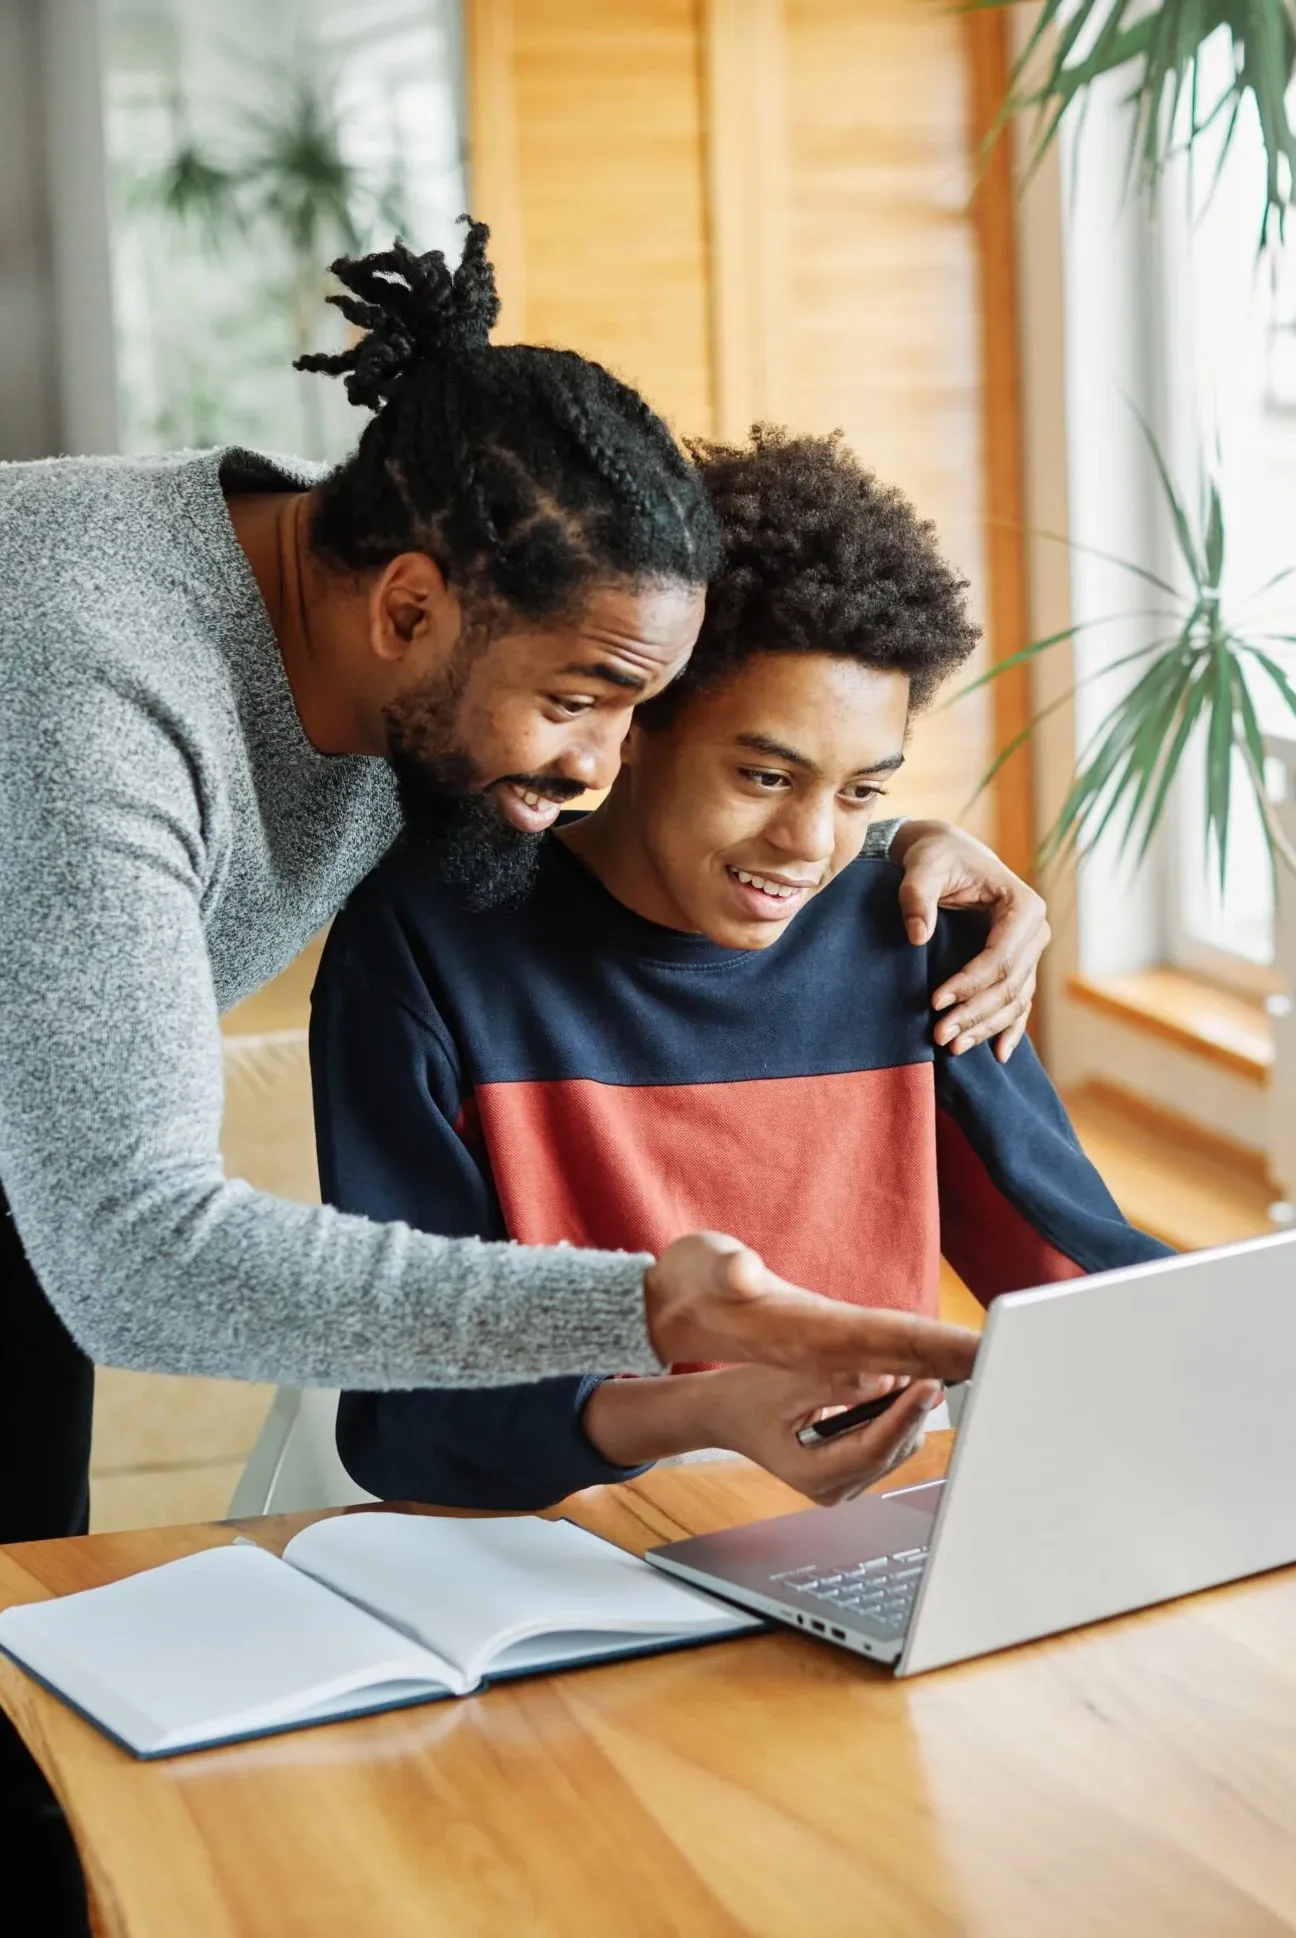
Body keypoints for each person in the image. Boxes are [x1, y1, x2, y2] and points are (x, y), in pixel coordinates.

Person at [0, 224, 1033, 1929]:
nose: (601, 764)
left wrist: (882, 855)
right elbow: (135, 1252)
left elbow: (648, 753)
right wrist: (654, 1307)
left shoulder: (401, 617)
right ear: (409, 604)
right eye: (588, 704)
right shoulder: (91, 678)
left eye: (642, 712)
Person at [311, 428, 1168, 1512]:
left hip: (858, 1543)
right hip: (554, 1545)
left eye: (863, 792)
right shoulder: (430, 945)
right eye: (766, 775)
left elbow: (1084, 1286)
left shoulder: (911, 929)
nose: (811, 845)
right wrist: (709, 1410)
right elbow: (409, 1422)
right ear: (638, 724)